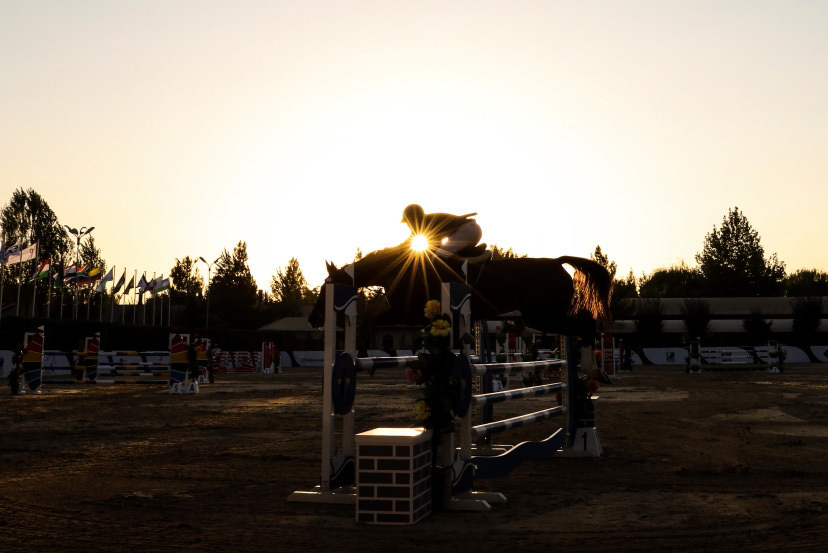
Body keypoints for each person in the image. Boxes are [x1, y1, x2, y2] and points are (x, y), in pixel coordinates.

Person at [401, 204, 485, 258]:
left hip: (466, 230)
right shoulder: (424, 221)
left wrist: (389, 252)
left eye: (407, 221)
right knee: (451, 254)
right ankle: (476, 254)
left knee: (438, 258)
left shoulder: (424, 224)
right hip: (473, 229)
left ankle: (454, 280)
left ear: (413, 218)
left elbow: (407, 245)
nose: (408, 225)